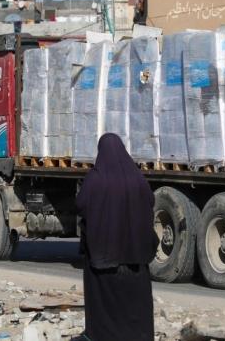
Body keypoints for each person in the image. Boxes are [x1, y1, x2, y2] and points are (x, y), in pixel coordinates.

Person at [76, 133, 158, 341]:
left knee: (104, 309)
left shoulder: (95, 179)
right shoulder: (138, 179)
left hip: (103, 260)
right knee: (134, 308)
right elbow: (150, 203)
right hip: (136, 259)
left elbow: (81, 205)